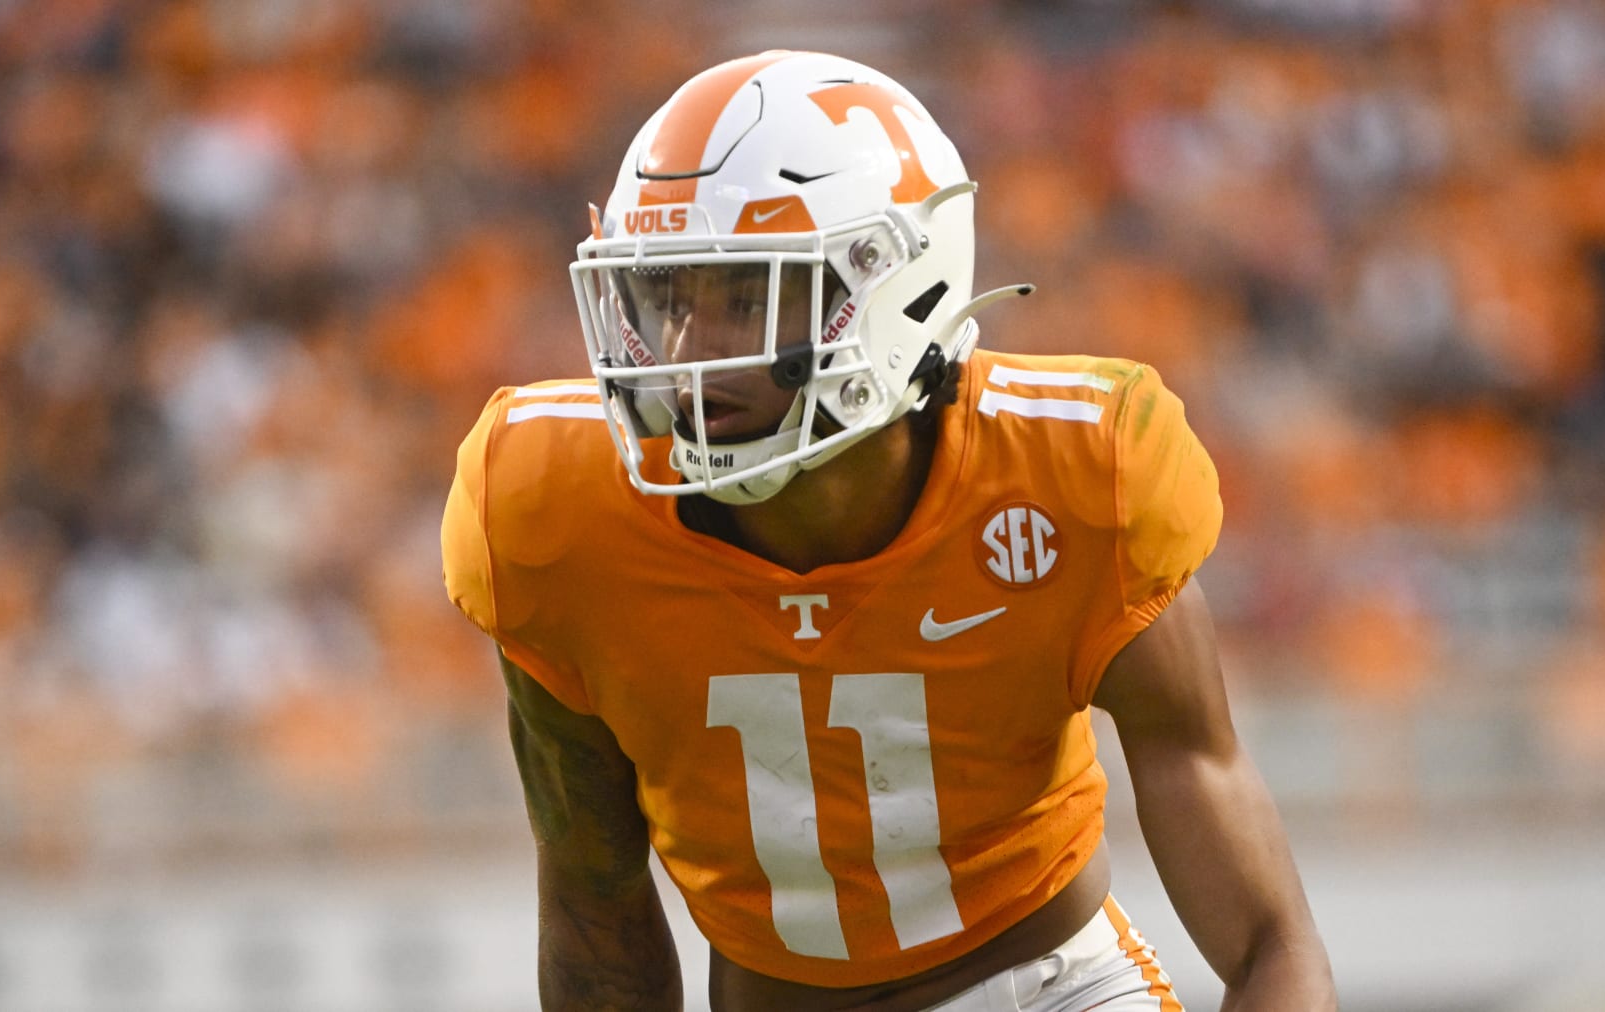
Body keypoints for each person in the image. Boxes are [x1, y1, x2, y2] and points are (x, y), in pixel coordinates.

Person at [442, 50, 1335, 1011]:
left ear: (893, 289)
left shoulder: (1077, 473)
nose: (692, 351)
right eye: (667, 298)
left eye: (746, 297)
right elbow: (594, 902)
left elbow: (1269, 945)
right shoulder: (551, 505)